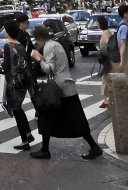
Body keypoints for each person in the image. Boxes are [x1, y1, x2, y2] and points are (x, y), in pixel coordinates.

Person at [29, 25, 101, 160]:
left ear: (39, 38)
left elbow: (49, 69)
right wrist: (41, 57)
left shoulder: (49, 47)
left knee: (48, 117)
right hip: (66, 86)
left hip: (59, 89)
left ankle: (45, 150)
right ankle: (93, 146)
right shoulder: (55, 44)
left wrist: (38, 59)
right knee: (71, 118)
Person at [0, 19, 36, 151]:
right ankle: (27, 134)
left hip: (13, 82)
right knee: (18, 108)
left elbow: (6, 65)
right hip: (22, 81)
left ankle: (25, 140)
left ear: (8, 32)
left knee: (16, 109)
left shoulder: (8, 46)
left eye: (5, 30)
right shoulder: (20, 45)